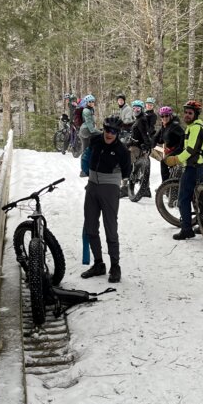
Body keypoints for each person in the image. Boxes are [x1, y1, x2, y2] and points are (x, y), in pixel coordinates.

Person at [80, 115, 132, 283]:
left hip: (110, 188)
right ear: (103, 128)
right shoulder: (95, 140)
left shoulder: (122, 150)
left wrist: (112, 181)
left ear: (118, 132)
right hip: (92, 185)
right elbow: (87, 156)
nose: (110, 134)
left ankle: (115, 266)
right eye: (108, 130)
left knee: (110, 227)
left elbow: (127, 171)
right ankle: (98, 264)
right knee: (90, 226)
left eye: (114, 131)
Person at [164, 100, 203, 240]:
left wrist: (176, 159)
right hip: (199, 166)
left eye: (190, 113)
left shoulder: (195, 128)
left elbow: (190, 150)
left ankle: (186, 229)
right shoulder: (198, 127)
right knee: (198, 197)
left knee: (183, 198)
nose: (187, 115)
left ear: (196, 114)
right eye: (186, 112)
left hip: (192, 168)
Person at [129, 100, 154, 198]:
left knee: (128, 159)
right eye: (134, 108)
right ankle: (146, 190)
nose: (136, 110)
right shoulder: (138, 118)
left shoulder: (142, 120)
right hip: (136, 144)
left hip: (138, 146)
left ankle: (126, 185)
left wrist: (147, 146)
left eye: (138, 108)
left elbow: (145, 134)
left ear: (142, 109)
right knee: (143, 167)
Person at [153, 106, 184, 182]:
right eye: (162, 116)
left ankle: (165, 184)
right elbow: (157, 137)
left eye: (166, 115)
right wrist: (151, 144)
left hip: (178, 150)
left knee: (163, 162)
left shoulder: (174, 126)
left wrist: (180, 148)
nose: (164, 118)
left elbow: (184, 136)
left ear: (170, 116)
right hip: (171, 150)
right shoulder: (165, 126)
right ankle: (170, 184)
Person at [78, 94, 98, 177]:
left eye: (93, 101)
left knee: (86, 150)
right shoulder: (86, 111)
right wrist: (94, 131)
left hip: (86, 130)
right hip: (85, 131)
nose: (92, 103)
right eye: (90, 101)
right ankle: (84, 171)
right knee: (86, 151)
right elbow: (89, 122)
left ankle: (86, 170)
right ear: (86, 102)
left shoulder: (90, 109)